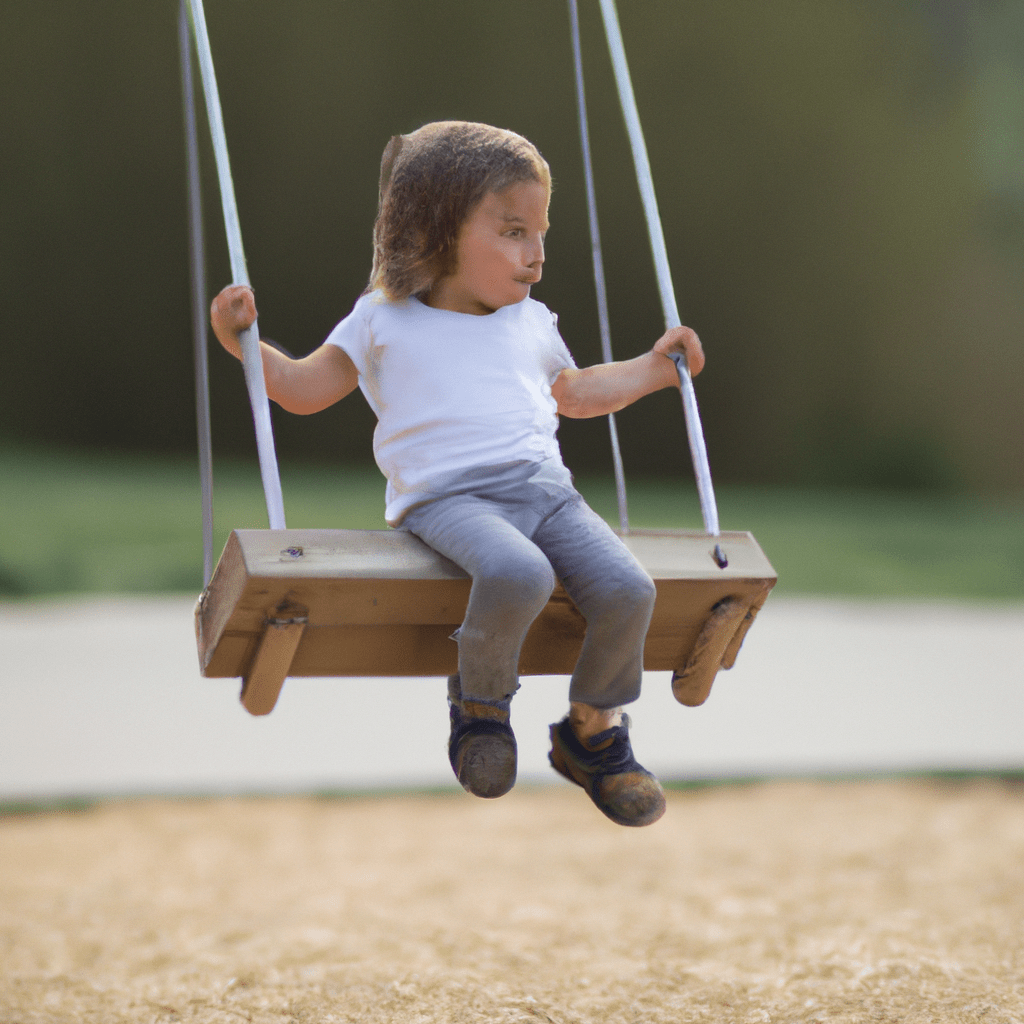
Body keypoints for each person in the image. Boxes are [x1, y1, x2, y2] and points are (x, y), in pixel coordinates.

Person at [211, 121, 704, 827]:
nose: (535, 254)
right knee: (518, 574)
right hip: (449, 499)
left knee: (628, 588)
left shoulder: (530, 321)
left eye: (540, 232)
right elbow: (302, 389)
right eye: (512, 231)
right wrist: (244, 343)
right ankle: (480, 712)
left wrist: (659, 370)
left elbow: (579, 393)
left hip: (546, 493)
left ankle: (591, 735)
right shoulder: (383, 319)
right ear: (438, 228)